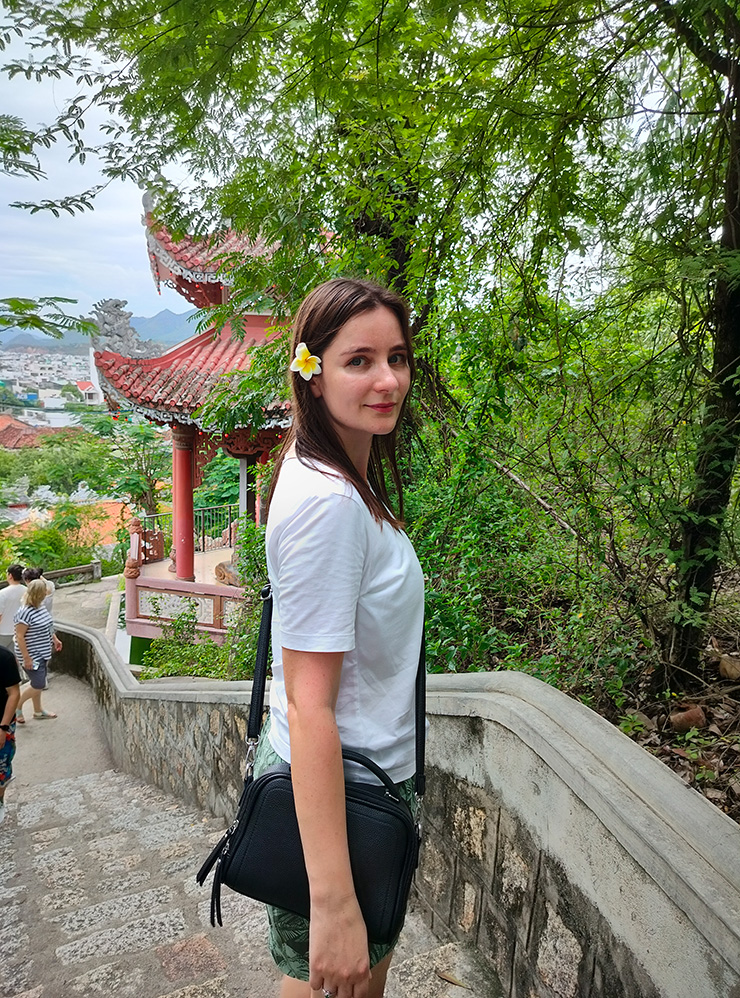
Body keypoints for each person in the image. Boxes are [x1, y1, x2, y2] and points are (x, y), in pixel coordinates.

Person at [252, 278, 424, 998]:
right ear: (312, 373)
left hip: (355, 783)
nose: (388, 380)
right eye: (359, 361)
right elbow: (309, 703)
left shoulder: (329, 470)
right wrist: (332, 901)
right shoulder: (329, 503)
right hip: (345, 798)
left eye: (397, 357)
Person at [14, 579, 62, 723]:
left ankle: (38, 711)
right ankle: (17, 707)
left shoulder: (40, 607)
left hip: (43, 652)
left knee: (37, 683)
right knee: (38, 684)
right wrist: (26, 658)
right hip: (31, 655)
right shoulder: (24, 613)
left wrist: (55, 639)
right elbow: (19, 636)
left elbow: (48, 626)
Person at [0, 644, 21, 825]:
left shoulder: (4, 657)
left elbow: (14, 694)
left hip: (2, 722)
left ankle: (0, 801)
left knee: (1, 766)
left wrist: (3, 728)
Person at [0, 564, 26, 653]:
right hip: (22, 631)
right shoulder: (27, 591)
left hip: (4, 631)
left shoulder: (2, 593)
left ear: (10, 575)